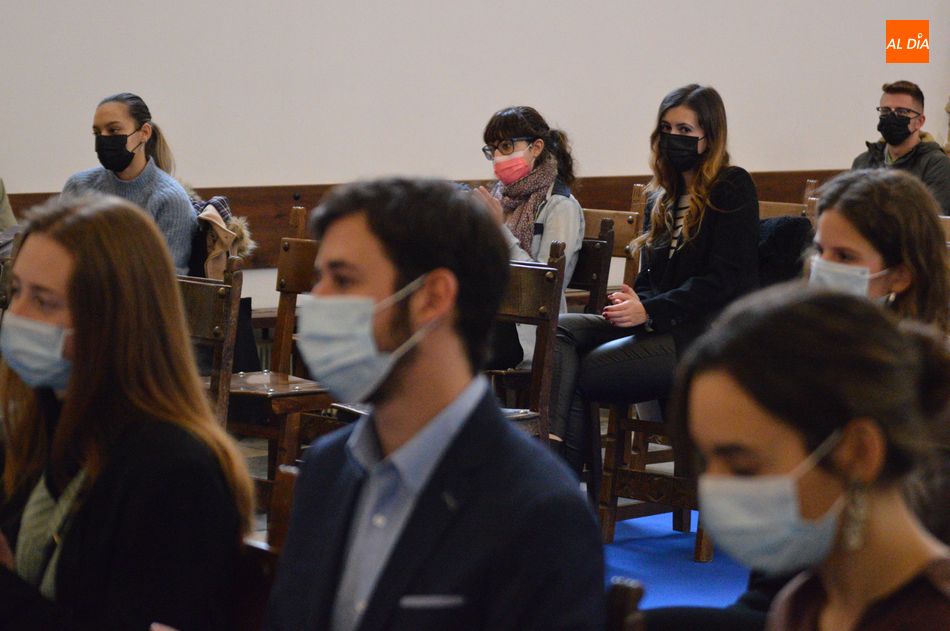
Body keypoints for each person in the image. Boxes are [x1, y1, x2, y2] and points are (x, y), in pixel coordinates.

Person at [264, 178, 604, 631]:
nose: (319, 301)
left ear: (432, 298)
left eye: (343, 279)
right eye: (319, 279)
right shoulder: (328, 469)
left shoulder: (538, 511)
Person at [0, 194, 255, 630]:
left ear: (115, 321)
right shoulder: (42, 424)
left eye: (44, 301)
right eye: (15, 292)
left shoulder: (175, 472)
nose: (14, 315)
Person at [678, 288, 949, 630]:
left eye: (744, 467)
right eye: (706, 460)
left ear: (859, 452)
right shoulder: (802, 604)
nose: (713, 487)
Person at [551, 84, 759, 473]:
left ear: (709, 137)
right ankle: (560, 462)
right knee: (560, 330)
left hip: (703, 335)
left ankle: (566, 480)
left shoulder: (731, 186)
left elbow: (726, 280)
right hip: (658, 323)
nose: (672, 139)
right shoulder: (661, 194)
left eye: (684, 131)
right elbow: (651, 278)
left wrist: (648, 309)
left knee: (581, 373)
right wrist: (631, 302)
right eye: (666, 129)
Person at [474, 106, 585, 369]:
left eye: (506, 146)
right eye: (493, 149)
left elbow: (546, 285)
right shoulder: (501, 197)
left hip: (530, 329)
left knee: (445, 347)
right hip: (496, 316)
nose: (498, 156)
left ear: (536, 147)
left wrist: (498, 231)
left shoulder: (560, 205)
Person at [62, 92, 196, 273]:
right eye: (97, 132)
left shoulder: (170, 199)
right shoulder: (78, 187)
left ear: (144, 133)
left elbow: (168, 284)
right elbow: (58, 258)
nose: (103, 139)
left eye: (114, 130)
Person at [851, 81, 950, 214]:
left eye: (901, 112)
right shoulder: (863, 162)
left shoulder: (937, 165)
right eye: (885, 111)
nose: (892, 117)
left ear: (919, 121)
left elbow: (930, 222)